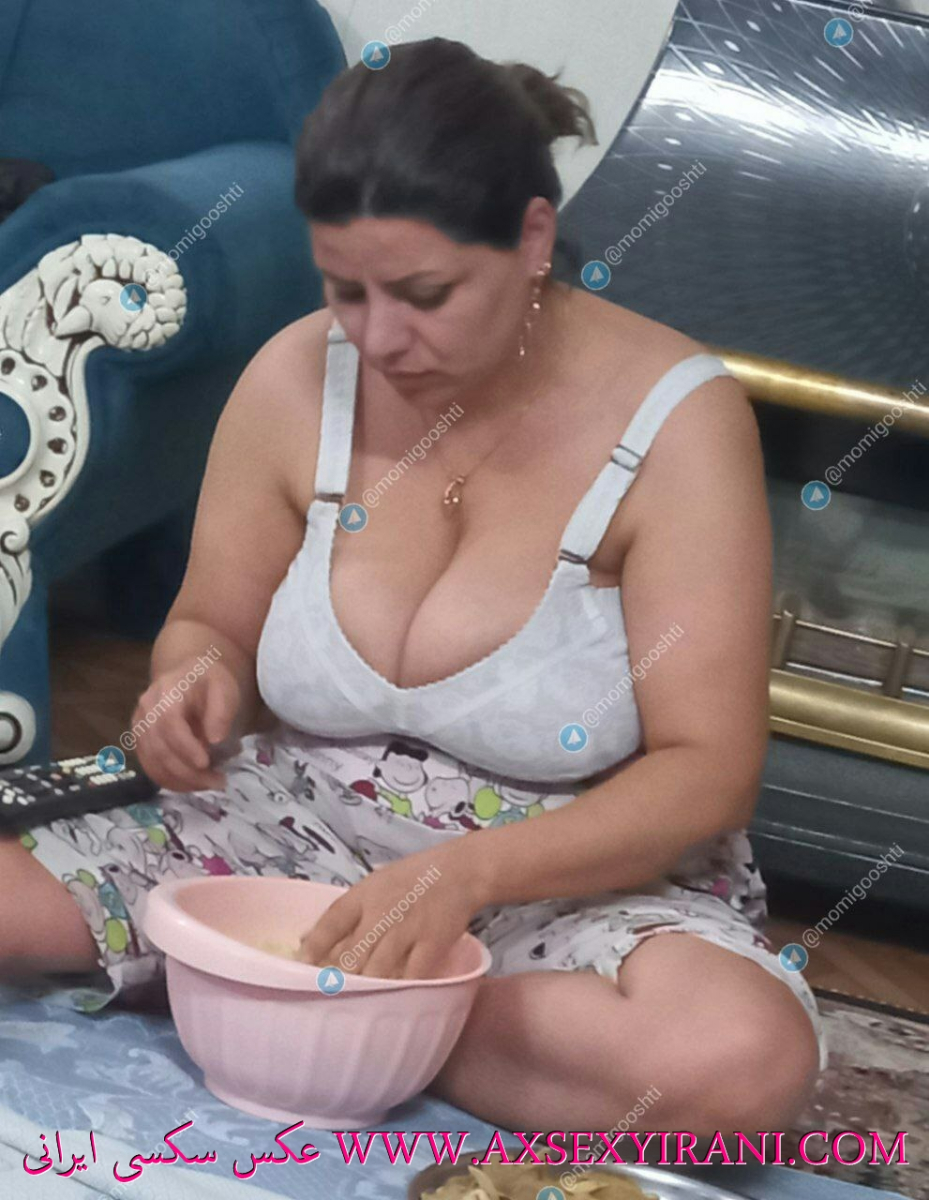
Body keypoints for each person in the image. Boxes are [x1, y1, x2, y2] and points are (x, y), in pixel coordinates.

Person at [0, 37, 826, 1135]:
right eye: (346, 290)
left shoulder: (677, 423)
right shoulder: (298, 376)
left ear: (532, 238)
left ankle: (270, 997)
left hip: (561, 885)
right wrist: (186, 683)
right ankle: (323, 1004)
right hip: (285, 837)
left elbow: (705, 772)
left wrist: (465, 878)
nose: (380, 338)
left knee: (733, 1066)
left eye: (425, 294)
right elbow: (208, 624)